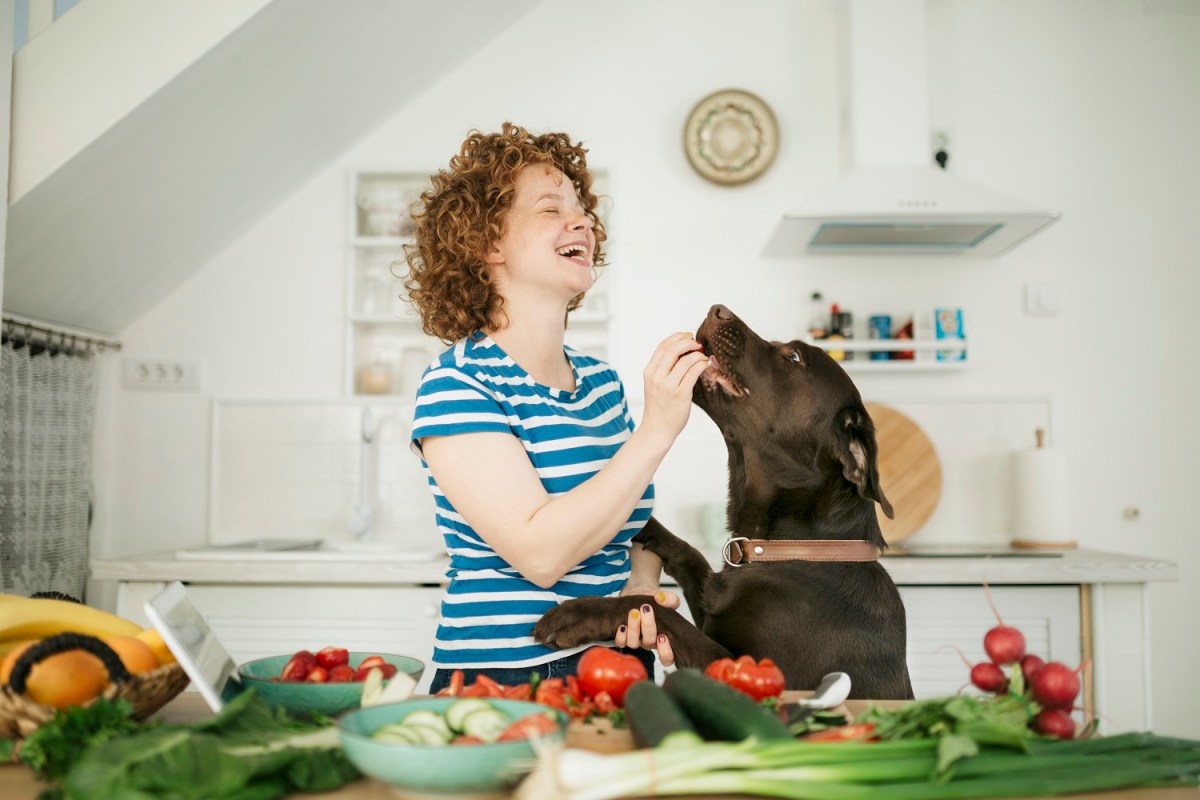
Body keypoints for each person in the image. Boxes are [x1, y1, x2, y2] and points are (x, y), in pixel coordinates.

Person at [404, 123, 708, 692]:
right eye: (550, 208)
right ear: (487, 244)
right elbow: (542, 554)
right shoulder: (457, 383)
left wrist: (639, 593)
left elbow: (634, 527)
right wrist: (658, 428)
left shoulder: (601, 383)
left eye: (582, 210)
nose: (582, 222)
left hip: (619, 670)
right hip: (505, 678)